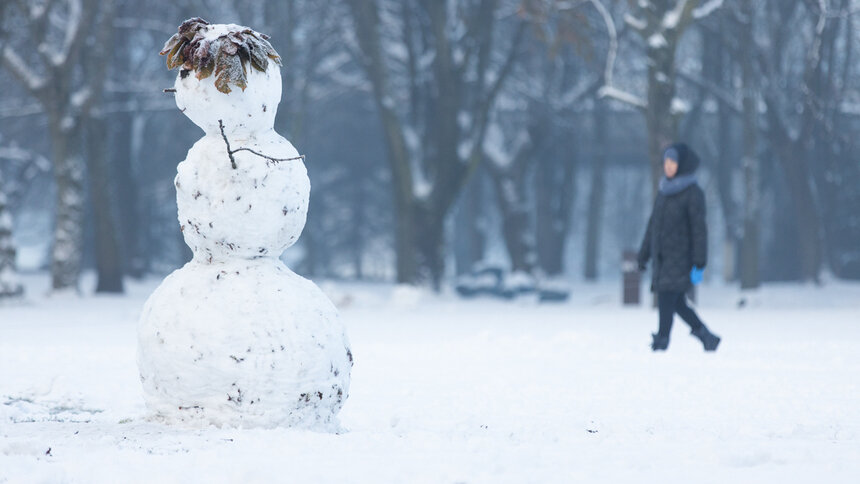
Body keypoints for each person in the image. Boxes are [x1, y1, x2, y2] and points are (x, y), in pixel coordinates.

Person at [637, 143, 721, 352]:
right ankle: (706, 336)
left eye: (673, 162)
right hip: (662, 257)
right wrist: (644, 254)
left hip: (682, 258)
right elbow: (653, 225)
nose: (668, 166)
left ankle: (662, 340)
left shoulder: (693, 193)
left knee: (667, 297)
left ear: (682, 164)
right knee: (676, 303)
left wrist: (699, 261)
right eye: (666, 162)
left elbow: (699, 230)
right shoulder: (664, 190)